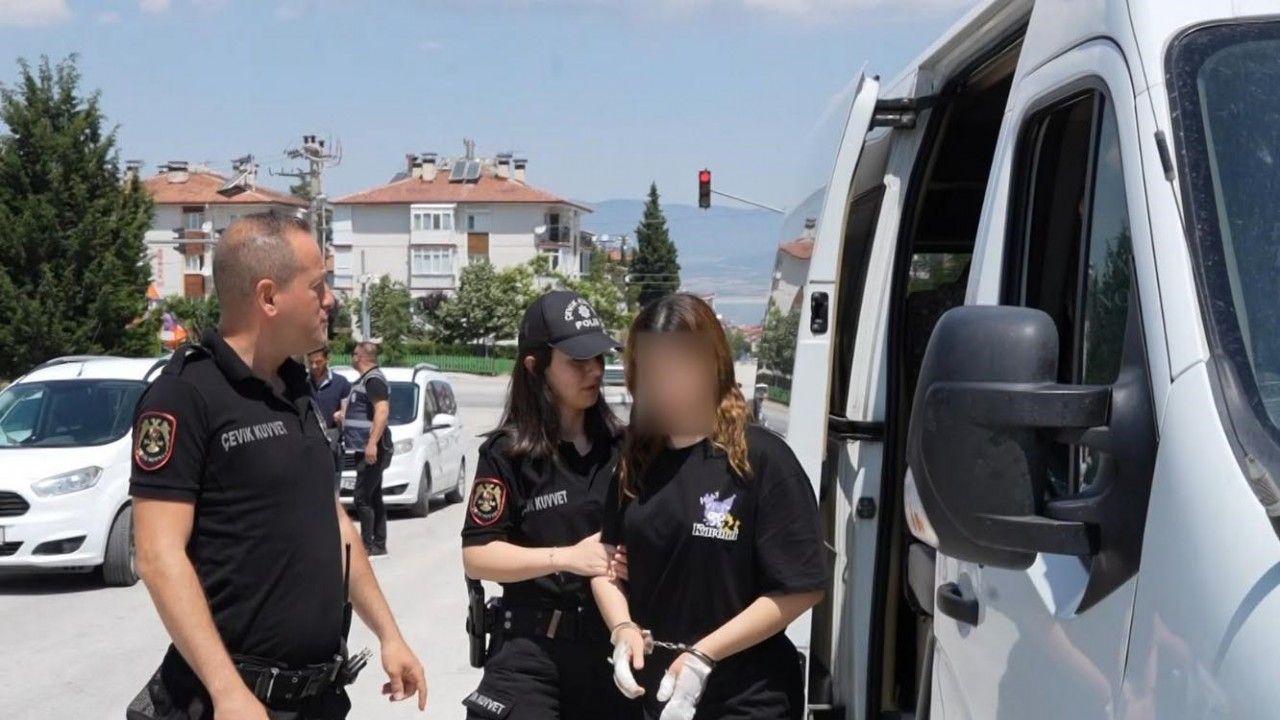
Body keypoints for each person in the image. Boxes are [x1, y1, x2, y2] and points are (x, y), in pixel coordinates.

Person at [128, 213, 427, 720]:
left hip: (317, 700)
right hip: (232, 703)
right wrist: (227, 692)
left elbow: (334, 524)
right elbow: (159, 556)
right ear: (268, 297)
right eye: (317, 286)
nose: (330, 300)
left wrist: (389, 634)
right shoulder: (183, 396)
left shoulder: (296, 387)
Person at [593, 293, 828, 720]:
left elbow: (800, 587)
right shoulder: (634, 461)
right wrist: (621, 627)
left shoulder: (762, 459)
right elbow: (606, 564)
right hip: (660, 695)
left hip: (747, 697)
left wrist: (705, 654)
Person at [460, 290, 641, 720]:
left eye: (598, 358)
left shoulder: (625, 447)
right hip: (531, 654)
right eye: (577, 361)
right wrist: (567, 558)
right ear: (535, 366)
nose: (594, 370)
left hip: (609, 650)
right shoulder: (508, 454)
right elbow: (477, 555)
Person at [342, 342, 393, 556]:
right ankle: (379, 544)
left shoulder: (373, 380)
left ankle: (367, 546)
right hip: (362, 447)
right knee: (373, 496)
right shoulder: (365, 380)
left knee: (361, 498)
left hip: (371, 449)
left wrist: (372, 443)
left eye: (354, 354)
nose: (352, 357)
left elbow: (382, 411)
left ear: (361, 357)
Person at [308, 346, 352, 489]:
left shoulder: (341, 383)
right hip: (308, 439)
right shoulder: (303, 382)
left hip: (332, 438)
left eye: (318, 362)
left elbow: (347, 411)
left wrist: (342, 415)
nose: (314, 366)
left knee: (332, 482)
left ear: (328, 359)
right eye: (311, 362)